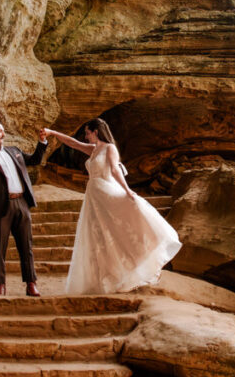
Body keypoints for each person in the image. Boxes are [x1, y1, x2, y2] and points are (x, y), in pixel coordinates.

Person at [43, 118, 182, 295]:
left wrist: (127, 190)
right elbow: (72, 143)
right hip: (94, 197)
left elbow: (115, 170)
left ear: (96, 131)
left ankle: (136, 261)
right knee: (98, 235)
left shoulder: (110, 148)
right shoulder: (93, 149)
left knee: (117, 228)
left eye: (88, 132)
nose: (86, 136)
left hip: (107, 191)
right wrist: (52, 133)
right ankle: (104, 278)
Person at [0, 121, 48, 296]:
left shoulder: (15, 151)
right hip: (0, 207)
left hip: (21, 203)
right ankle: (0, 286)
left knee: (26, 245)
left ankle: (31, 284)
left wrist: (42, 142)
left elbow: (35, 160)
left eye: (3, 131)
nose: (3, 134)